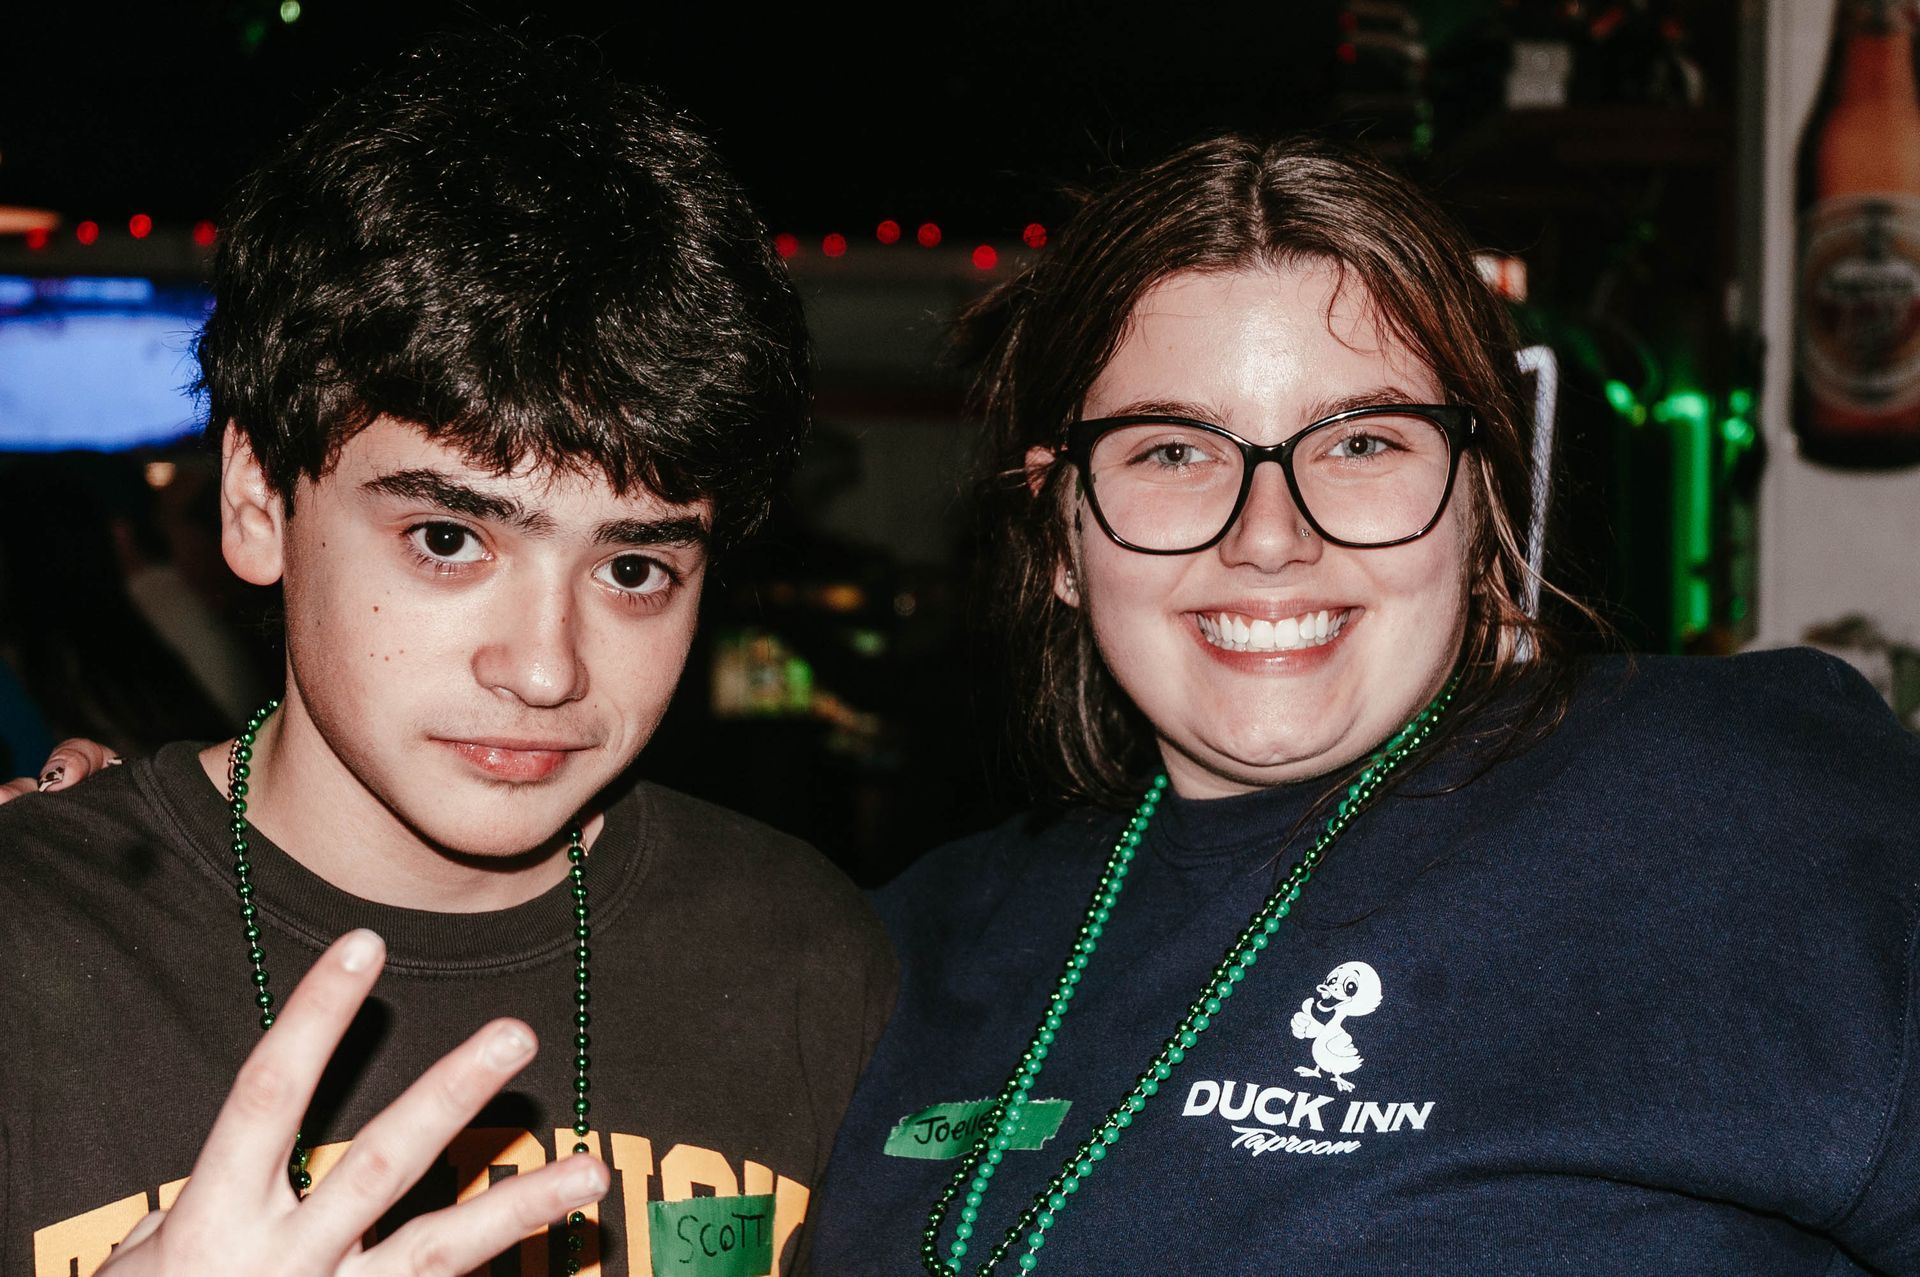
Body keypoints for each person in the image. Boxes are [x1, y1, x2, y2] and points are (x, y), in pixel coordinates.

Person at [807, 136, 1920, 1273]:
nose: (1270, 537)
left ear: (1481, 494)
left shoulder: (1737, 814)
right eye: (1176, 450)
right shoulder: (889, 948)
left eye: (1362, 440)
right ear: (1061, 527)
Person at [0, 32, 893, 1277]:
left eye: (633, 567)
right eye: (446, 536)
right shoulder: (30, 945)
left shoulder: (809, 953)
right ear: (258, 497)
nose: (544, 668)